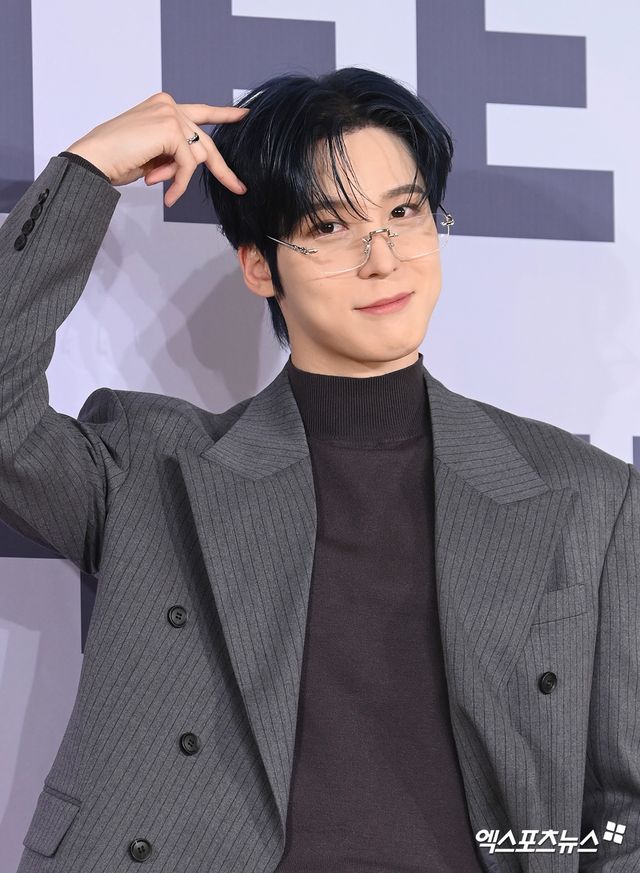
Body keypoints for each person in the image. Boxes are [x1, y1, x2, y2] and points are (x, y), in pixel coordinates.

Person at [0, 66, 638, 873]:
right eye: (330, 226)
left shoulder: (587, 497)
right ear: (259, 266)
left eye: (404, 212)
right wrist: (88, 170)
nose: (383, 259)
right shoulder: (154, 471)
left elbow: (623, 814)